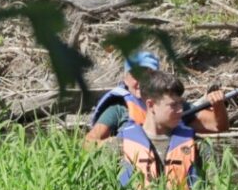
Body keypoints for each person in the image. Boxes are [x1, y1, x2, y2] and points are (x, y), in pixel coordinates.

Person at [83, 51, 228, 146]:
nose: (141, 81)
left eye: (148, 75)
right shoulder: (118, 108)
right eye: (135, 75)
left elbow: (218, 126)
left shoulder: (174, 106)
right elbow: (88, 143)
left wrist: (218, 105)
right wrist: (120, 144)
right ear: (126, 79)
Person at [116, 70, 204, 190]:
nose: (180, 110)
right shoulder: (119, 145)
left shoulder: (197, 144)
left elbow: (216, 187)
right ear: (151, 105)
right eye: (173, 105)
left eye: (181, 104)